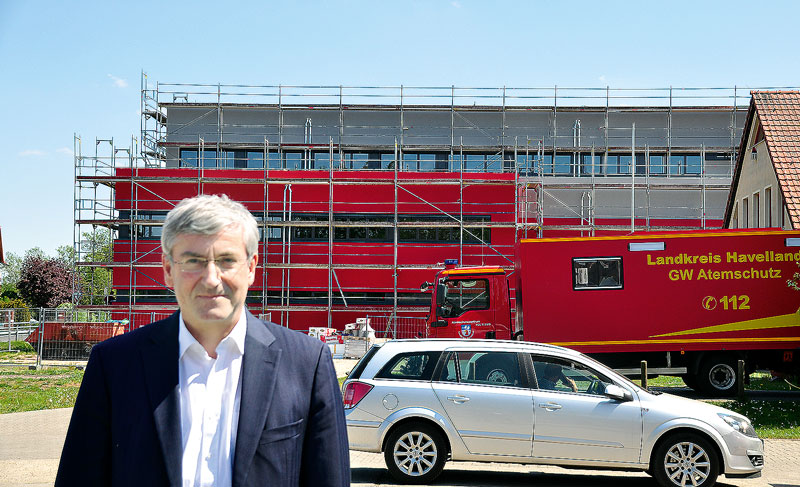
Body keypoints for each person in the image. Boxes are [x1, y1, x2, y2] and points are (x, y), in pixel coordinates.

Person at [56, 194, 350, 487]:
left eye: (226, 260)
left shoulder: (307, 364)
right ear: (169, 270)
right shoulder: (114, 365)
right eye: (193, 261)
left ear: (251, 267)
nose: (211, 279)